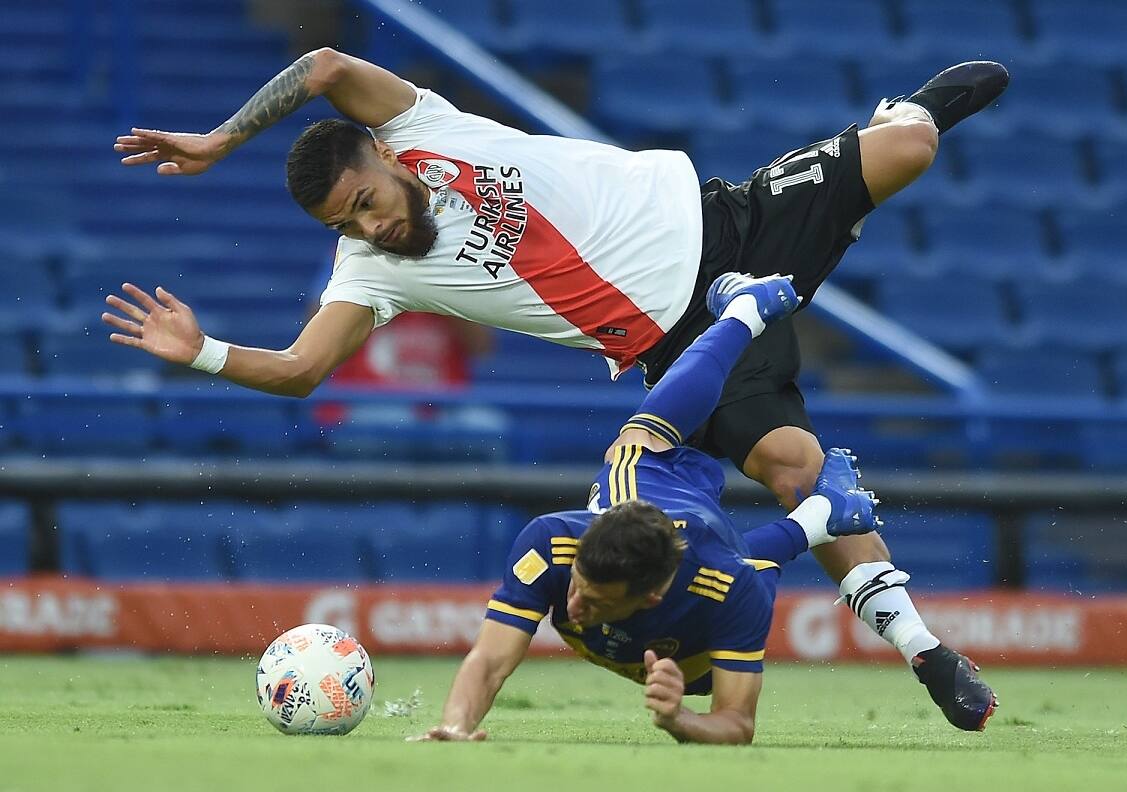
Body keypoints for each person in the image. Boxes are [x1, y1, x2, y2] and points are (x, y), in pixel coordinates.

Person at [105, 49, 1008, 728]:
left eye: (367, 202)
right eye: (347, 223)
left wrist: (222, 138)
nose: (370, 227)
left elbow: (326, 66)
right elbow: (302, 370)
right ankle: (925, 650)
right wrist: (203, 352)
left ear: (384, 152)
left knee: (914, 144)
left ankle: (896, 117)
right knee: (797, 470)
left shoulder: (423, 125)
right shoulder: (371, 273)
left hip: (718, 221)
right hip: (684, 343)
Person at [412, 272, 993, 744]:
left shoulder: (727, 587)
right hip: (657, 490)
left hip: (700, 640)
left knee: (743, 565)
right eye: (580, 584)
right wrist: (456, 726)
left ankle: (820, 515)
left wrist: (679, 720)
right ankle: (744, 318)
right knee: (636, 446)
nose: (571, 603)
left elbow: (736, 724)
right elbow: (489, 662)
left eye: (595, 598)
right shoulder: (555, 544)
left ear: (652, 597)